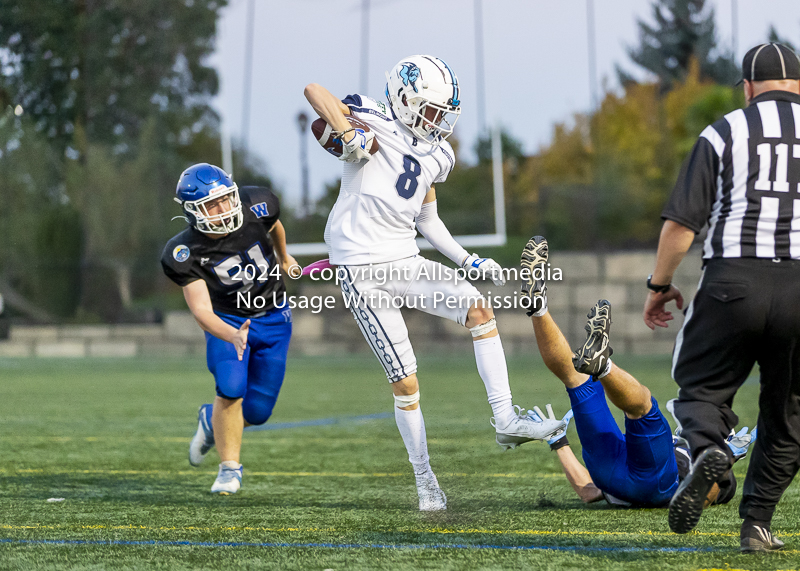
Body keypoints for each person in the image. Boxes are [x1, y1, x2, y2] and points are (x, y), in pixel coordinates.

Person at [303, 56, 566, 511]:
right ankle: (425, 480)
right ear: (404, 100)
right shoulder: (371, 113)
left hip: (406, 258)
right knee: (406, 383)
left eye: (444, 112)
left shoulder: (439, 152)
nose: (439, 120)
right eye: (431, 110)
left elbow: (427, 217)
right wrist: (349, 132)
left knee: (479, 311)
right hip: (361, 268)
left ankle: (505, 418)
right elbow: (313, 91)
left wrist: (468, 259)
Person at [642, 43, 800, 551]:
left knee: (700, 389)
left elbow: (680, 224)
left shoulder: (724, 131)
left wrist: (659, 285)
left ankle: (711, 456)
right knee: (789, 411)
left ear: (749, 88)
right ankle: (756, 523)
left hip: (734, 281)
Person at [521, 236, 755, 508]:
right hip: (612, 475)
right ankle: (539, 309)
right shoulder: (692, 447)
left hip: (648, 481)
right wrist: (558, 442)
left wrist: (723, 463)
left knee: (643, 405)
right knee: (577, 380)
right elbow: (588, 492)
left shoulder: (714, 464)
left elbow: (704, 497)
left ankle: (602, 364)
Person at [161, 163, 299, 495]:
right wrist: (231, 334)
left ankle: (211, 421)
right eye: (212, 204)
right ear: (193, 211)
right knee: (231, 386)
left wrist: (284, 256)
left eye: (225, 199)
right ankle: (229, 469)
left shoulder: (257, 204)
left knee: (258, 411)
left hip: (275, 316)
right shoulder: (184, 252)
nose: (223, 209)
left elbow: (274, 224)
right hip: (229, 321)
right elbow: (201, 311)